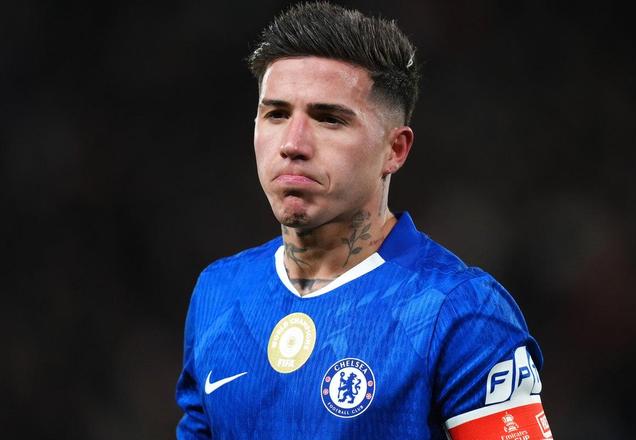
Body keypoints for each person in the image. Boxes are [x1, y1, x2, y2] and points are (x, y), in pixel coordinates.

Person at [176, 3, 553, 439]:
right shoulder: (219, 293)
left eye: (329, 119)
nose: (293, 144)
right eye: (276, 114)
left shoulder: (460, 313)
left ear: (395, 150)